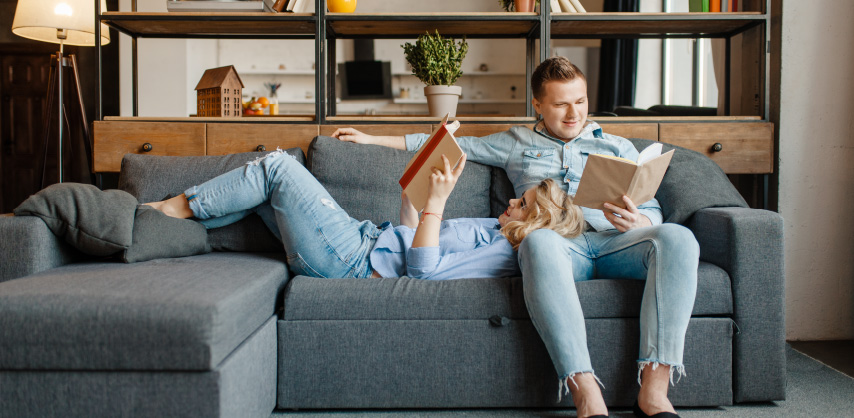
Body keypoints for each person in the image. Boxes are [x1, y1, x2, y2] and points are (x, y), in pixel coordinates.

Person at [331, 56, 699, 418]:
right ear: (538, 105)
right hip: (558, 248)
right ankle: (586, 396)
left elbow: (651, 208)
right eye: (560, 104)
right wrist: (370, 137)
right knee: (536, 240)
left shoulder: (617, 146)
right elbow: (451, 145)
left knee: (678, 239)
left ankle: (653, 395)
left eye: (581, 102)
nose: (574, 114)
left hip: (614, 241)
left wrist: (639, 221)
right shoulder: (515, 141)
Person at [145, 149, 585, 282]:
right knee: (262, 191)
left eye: (521, 206)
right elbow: (413, 238)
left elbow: (424, 273)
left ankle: (162, 211)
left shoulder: (505, 255)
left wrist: (437, 204)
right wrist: (412, 201)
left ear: (536, 224)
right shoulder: (494, 228)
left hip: (353, 263)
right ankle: (168, 231)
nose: (510, 203)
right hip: (363, 241)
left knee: (276, 166)